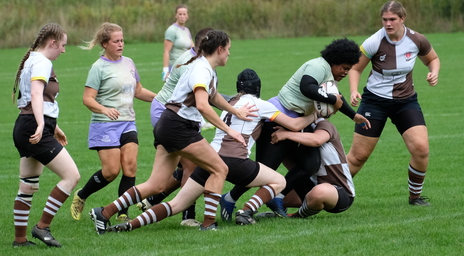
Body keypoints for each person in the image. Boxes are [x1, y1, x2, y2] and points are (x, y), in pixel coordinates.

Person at [106, 68, 322, 233]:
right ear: (258, 88)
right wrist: (316, 114)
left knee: (176, 204)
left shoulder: (230, 102)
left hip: (209, 158)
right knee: (279, 181)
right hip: (235, 161)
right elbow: (294, 125)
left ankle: (129, 225)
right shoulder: (261, 104)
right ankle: (246, 211)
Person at [89, 30, 257, 233]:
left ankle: (104, 212)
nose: (229, 53)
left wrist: (235, 111)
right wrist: (229, 130)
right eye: (228, 49)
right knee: (220, 168)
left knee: (156, 185)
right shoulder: (202, 69)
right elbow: (203, 105)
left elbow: (213, 97)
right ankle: (208, 224)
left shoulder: (205, 68)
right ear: (219, 49)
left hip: (168, 124)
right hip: (179, 127)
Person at [222, 38, 369, 219]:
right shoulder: (318, 66)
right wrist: (332, 100)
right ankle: (229, 198)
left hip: (298, 121)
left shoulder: (329, 75)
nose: (346, 72)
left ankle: (278, 196)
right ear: (335, 61)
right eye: (344, 68)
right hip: (278, 118)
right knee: (266, 167)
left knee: (310, 165)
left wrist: (353, 116)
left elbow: (337, 97)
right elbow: (306, 87)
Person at [346, 0, 440, 206]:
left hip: (405, 102)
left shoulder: (417, 40)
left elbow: (433, 59)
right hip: (374, 102)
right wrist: (353, 91)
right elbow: (355, 68)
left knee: (421, 149)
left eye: (392, 19)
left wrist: (434, 72)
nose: (388, 24)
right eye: (384, 20)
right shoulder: (374, 42)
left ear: (402, 18)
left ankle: (415, 197)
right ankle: (328, 190)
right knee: (358, 157)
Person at [70, 23, 155, 222]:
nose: (120, 44)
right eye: (116, 41)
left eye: (122, 40)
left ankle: (122, 213)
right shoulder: (98, 67)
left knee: (130, 167)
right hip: (104, 124)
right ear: (104, 44)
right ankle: (81, 195)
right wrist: (105, 109)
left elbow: (138, 91)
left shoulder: (129, 63)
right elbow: (87, 99)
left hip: (128, 122)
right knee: (111, 172)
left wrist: (160, 99)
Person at [12, 23, 80, 248]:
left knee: (28, 185)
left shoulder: (32, 59)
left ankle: (20, 240)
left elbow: (40, 100)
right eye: (62, 45)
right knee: (71, 176)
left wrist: (53, 126)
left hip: (27, 124)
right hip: (34, 125)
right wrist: (42, 124)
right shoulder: (42, 62)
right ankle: (42, 227)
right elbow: (35, 94)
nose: (64, 50)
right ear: (52, 43)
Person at [144, 27, 213, 227]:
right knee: (191, 165)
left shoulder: (199, 61)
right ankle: (187, 216)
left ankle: (152, 201)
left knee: (184, 166)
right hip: (167, 113)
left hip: (177, 114)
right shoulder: (191, 64)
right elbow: (202, 100)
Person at [268, 104, 355, 219]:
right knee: (269, 191)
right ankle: (270, 212)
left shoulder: (324, 125)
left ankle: (296, 216)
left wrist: (287, 134)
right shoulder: (299, 129)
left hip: (339, 192)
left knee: (319, 193)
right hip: (308, 188)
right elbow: (293, 165)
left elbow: (317, 140)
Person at [162, 4, 193, 82]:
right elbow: (166, 52)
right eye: (180, 14)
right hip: (175, 67)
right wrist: (165, 71)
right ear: (176, 15)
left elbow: (192, 48)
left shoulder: (186, 30)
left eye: (184, 14)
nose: (182, 16)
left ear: (187, 16)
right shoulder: (172, 30)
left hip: (185, 67)